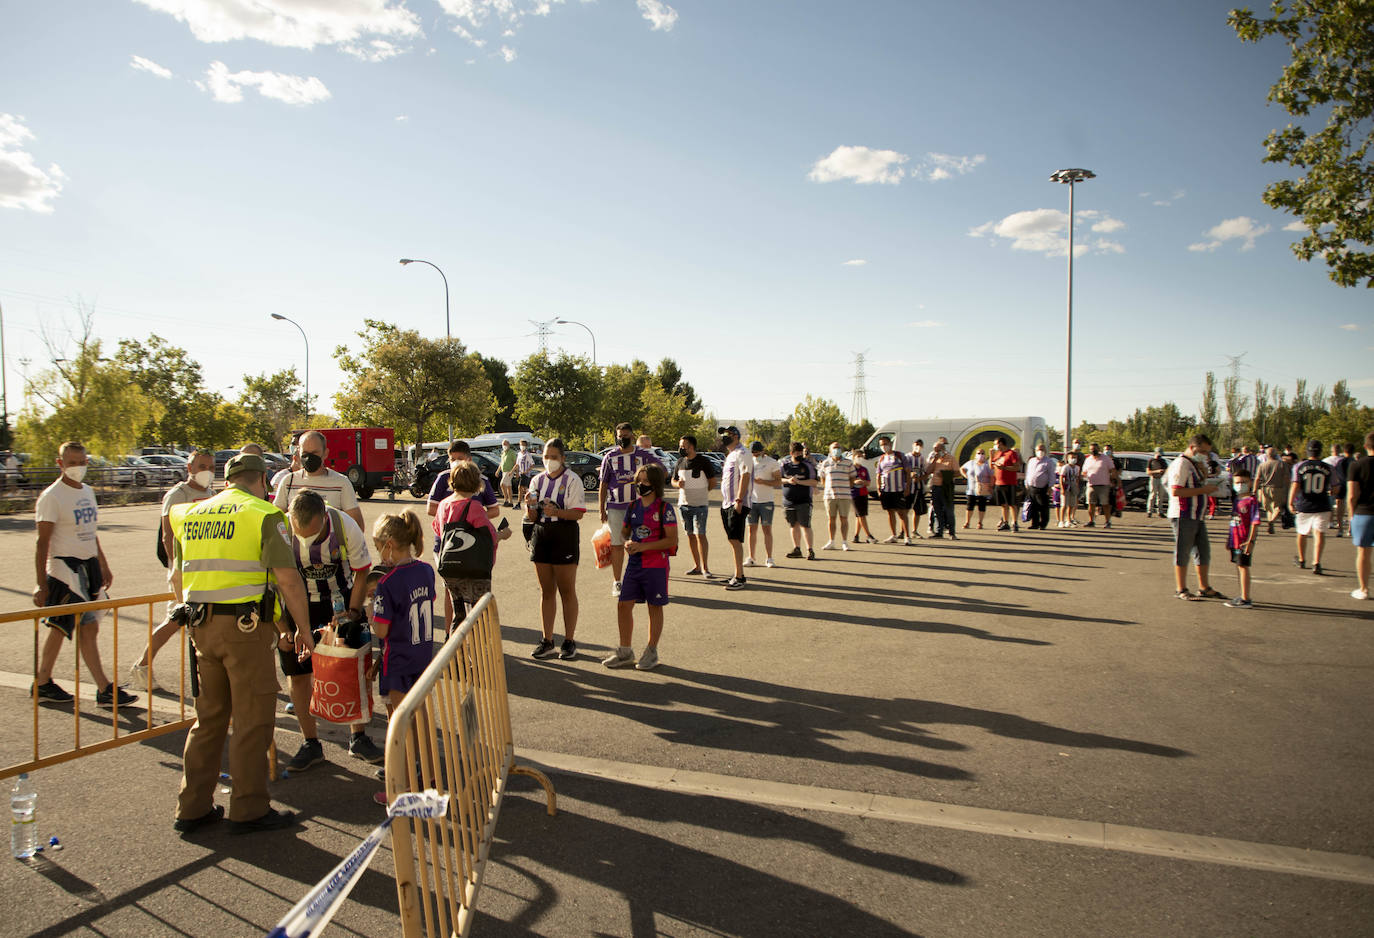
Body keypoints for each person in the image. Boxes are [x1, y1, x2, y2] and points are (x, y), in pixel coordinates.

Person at [169, 452, 313, 834]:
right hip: (245, 629)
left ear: (227, 478)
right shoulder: (264, 514)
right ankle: (248, 809)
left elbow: (177, 576)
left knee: (208, 719)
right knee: (252, 719)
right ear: (263, 479)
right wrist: (303, 630)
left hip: (201, 627)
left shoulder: (191, 513)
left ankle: (193, 805)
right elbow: (288, 580)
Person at [278, 490, 382, 772]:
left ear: (324, 517)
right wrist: (289, 627)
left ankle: (358, 736)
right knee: (297, 673)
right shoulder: (281, 527)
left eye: (311, 534)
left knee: (353, 668)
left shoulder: (344, 525)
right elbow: (276, 580)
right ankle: (310, 742)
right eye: (301, 535)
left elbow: (362, 571)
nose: (306, 540)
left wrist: (353, 613)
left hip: (341, 600)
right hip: (299, 603)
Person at [30, 441, 135, 707]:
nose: (77, 467)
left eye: (81, 461)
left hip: (88, 568)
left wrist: (103, 563)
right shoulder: (52, 496)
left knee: (86, 627)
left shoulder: (87, 491)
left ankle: (98, 688)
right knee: (62, 627)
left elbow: (90, 531)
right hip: (65, 571)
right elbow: (42, 542)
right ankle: (48, 683)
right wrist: (41, 584)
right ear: (60, 463)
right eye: (71, 462)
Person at [130, 448, 217, 691]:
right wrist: (174, 568)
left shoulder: (213, 494)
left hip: (207, 567)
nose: (207, 472)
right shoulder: (177, 495)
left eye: (211, 467)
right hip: (184, 569)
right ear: (189, 468)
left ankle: (209, 676)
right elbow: (167, 535)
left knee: (203, 621)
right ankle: (143, 665)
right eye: (202, 467)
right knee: (176, 618)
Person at [604, 463, 678, 671]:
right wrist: (626, 541)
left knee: (654, 607)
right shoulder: (633, 507)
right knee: (623, 605)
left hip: (656, 565)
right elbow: (625, 532)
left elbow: (671, 540)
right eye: (639, 481)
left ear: (655, 484)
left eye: (646, 481)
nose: (641, 485)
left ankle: (651, 651)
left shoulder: (665, 508)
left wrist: (644, 546)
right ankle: (625, 651)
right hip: (634, 564)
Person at [427, 440, 500, 631]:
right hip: (470, 557)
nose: (456, 462)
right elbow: (491, 535)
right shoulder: (472, 504)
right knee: (477, 609)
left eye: (460, 459)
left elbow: (436, 525)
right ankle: (475, 649)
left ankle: (454, 643)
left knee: (458, 605)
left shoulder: (447, 503)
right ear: (476, 485)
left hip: (450, 553)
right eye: (453, 459)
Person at [370, 511, 437, 709]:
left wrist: (371, 612)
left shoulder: (387, 582)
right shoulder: (425, 570)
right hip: (422, 654)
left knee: (402, 720)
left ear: (389, 545)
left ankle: (407, 743)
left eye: (378, 548)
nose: (379, 554)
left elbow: (381, 630)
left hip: (399, 659)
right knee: (419, 712)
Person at [526, 438, 586, 659]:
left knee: (567, 590)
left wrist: (557, 513)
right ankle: (547, 639)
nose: (549, 461)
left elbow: (578, 513)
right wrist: (530, 506)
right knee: (546, 590)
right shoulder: (537, 481)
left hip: (565, 534)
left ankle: (569, 641)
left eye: (553, 457)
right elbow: (532, 516)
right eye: (546, 456)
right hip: (541, 534)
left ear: (562, 458)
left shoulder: (572, 480)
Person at [598, 423, 662, 597]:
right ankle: (617, 582)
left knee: (641, 545)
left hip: (640, 507)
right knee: (617, 546)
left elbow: (661, 470)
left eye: (625, 435)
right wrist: (601, 508)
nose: (622, 438)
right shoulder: (610, 457)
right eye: (619, 435)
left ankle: (642, 582)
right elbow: (603, 484)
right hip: (615, 507)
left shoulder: (643, 455)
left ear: (632, 436)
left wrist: (652, 491)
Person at [1167, 434, 1226, 601]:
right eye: (1202, 451)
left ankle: (1204, 586)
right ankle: (1181, 588)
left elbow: (1198, 482)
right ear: (1192, 448)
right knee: (1183, 551)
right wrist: (1204, 490)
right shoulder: (1181, 464)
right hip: (1183, 513)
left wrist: (1204, 472)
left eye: (1207, 452)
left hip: (1197, 514)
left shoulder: (1193, 463)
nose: (1205, 455)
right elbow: (1176, 491)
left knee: (1202, 551)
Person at [273, 431, 365, 531]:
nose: (309, 458)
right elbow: (276, 521)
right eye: (305, 453)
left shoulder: (341, 483)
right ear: (299, 453)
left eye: (314, 453)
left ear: (325, 453)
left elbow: (357, 526)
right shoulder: (288, 481)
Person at [672, 435, 717, 577]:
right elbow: (673, 480)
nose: (681, 448)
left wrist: (702, 493)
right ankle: (697, 566)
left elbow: (712, 482)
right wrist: (677, 484)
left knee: (700, 535)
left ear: (691, 446)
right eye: (680, 445)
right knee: (690, 535)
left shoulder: (703, 461)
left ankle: (705, 568)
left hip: (700, 505)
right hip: (684, 505)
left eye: (683, 445)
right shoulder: (679, 462)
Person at [1290, 439, 1333, 575]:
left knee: (1302, 532)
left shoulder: (1299, 466)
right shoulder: (1328, 467)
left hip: (1304, 503)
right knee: (1319, 533)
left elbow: (1295, 485)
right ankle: (1316, 562)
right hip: (1322, 503)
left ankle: (1302, 559)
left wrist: (1290, 502)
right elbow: (1336, 486)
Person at [717, 425, 752, 589]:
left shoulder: (742, 453)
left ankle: (739, 577)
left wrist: (739, 499)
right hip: (728, 502)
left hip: (737, 503)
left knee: (735, 539)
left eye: (728, 434)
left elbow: (745, 475)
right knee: (732, 539)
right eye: (724, 434)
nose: (725, 437)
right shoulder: (731, 454)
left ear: (736, 436)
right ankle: (738, 573)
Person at [1225, 467, 1261, 609]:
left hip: (1244, 540)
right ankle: (1242, 594)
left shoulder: (1251, 501)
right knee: (1239, 566)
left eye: (1243, 482)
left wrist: (1250, 541)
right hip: (1235, 539)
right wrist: (1229, 540)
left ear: (1250, 483)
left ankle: (1246, 598)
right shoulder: (1236, 500)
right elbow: (1233, 521)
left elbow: (1255, 522)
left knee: (1243, 566)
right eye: (1237, 482)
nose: (1240, 485)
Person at [1347, 431, 1374, 600]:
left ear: (1365, 446)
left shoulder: (1356, 465)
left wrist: (1351, 516)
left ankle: (1364, 589)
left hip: (1364, 512)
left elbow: (1352, 495)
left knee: (1363, 552)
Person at [779, 441, 818, 560]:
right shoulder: (784, 465)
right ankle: (797, 549)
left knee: (805, 525)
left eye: (801, 452)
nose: (800, 455)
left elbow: (814, 482)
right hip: (788, 501)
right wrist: (788, 481)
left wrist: (799, 482)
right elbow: (778, 479)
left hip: (804, 501)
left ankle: (810, 550)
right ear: (791, 453)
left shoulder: (808, 465)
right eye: (797, 453)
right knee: (793, 525)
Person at [747, 441, 781, 567]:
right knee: (751, 530)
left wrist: (764, 482)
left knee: (767, 529)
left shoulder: (772, 462)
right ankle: (751, 557)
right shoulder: (749, 462)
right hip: (751, 501)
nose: (755, 455)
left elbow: (778, 482)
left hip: (766, 501)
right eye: (753, 453)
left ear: (762, 451)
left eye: (757, 453)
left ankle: (769, 558)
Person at [875, 436, 912, 545]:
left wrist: (908, 487)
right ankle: (893, 535)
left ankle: (907, 536)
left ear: (890, 444)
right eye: (881, 445)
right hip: (886, 490)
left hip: (899, 489)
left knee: (902, 513)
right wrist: (878, 489)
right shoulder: (881, 458)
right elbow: (878, 474)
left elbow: (908, 472)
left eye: (885, 444)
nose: (884, 446)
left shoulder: (900, 456)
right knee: (890, 512)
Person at [819, 441, 856, 550]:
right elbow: (822, 479)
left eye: (838, 448)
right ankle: (831, 541)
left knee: (844, 518)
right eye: (834, 448)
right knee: (831, 519)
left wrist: (846, 486)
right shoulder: (825, 463)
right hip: (830, 496)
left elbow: (852, 478)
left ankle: (844, 542)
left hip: (844, 495)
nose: (836, 450)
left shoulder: (848, 463)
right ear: (830, 450)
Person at [1255, 445, 1291, 534]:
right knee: (1277, 507)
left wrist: (1254, 490)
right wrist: (1289, 487)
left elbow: (1257, 478)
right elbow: (1287, 477)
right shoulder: (1282, 464)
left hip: (1265, 488)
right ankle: (1272, 521)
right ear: (1276, 455)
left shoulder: (1262, 465)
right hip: (1278, 488)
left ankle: (1270, 521)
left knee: (1268, 509)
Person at [925, 441, 958, 539]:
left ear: (943, 449)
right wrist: (934, 460)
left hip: (946, 487)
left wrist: (945, 474)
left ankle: (952, 532)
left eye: (938, 449)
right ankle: (939, 531)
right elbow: (928, 471)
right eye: (934, 449)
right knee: (937, 510)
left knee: (949, 510)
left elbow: (957, 473)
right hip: (935, 487)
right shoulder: (934, 458)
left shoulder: (951, 458)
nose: (936, 451)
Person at [1023, 443, 1057, 531]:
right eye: (1038, 450)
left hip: (1043, 488)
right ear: (1035, 451)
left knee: (1043, 506)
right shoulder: (1032, 461)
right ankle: (1035, 523)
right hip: (1031, 487)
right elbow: (1028, 473)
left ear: (1045, 451)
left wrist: (1050, 487)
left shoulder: (1048, 461)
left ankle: (1043, 523)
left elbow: (1051, 475)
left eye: (1042, 450)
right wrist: (1026, 483)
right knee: (1033, 506)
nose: (1040, 451)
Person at [990, 437, 1021, 532]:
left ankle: (1015, 523)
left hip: (1010, 482)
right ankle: (1005, 522)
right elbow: (991, 466)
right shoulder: (998, 454)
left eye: (996, 444)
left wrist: (1005, 468)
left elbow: (1016, 467)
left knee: (1012, 504)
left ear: (1001, 444)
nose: (995, 446)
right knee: (1003, 504)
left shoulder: (1011, 453)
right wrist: (991, 456)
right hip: (999, 483)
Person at [1081, 444, 1112, 528]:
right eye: (1091, 449)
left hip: (1104, 484)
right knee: (1091, 504)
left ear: (1098, 449)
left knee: (1105, 504)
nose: (1093, 451)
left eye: (1094, 449)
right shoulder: (1088, 459)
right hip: (1091, 484)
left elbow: (1112, 470)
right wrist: (1083, 475)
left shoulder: (1106, 459)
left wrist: (1114, 481)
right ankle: (1091, 521)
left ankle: (1107, 521)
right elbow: (1084, 471)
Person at [960, 449, 992, 530]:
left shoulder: (987, 464)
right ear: (975, 454)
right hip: (971, 488)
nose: (980, 455)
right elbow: (962, 469)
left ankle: (980, 522)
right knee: (970, 505)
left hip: (983, 488)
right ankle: (967, 522)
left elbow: (992, 476)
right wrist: (966, 476)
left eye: (982, 453)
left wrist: (991, 486)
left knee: (982, 505)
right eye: (979, 453)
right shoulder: (971, 463)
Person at [1328, 442, 1354, 538]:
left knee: (1340, 507)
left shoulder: (1341, 462)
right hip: (1352, 485)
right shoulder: (1355, 461)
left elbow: (1337, 475)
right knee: (1351, 507)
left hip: (1342, 485)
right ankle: (1350, 529)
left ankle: (1340, 529)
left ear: (1344, 451)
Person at [851, 457, 875, 544]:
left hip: (863, 493)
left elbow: (868, 482)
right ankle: (868, 535)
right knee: (861, 515)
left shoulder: (864, 469)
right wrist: (855, 482)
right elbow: (849, 481)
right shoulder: (851, 469)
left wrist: (862, 482)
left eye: (861, 457)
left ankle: (856, 536)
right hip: (854, 494)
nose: (860, 458)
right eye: (858, 456)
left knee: (860, 515)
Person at [1056, 451, 1082, 528]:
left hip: (1073, 486)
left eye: (1075, 458)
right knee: (1064, 504)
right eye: (1071, 458)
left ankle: (1069, 520)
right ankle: (1061, 521)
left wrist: (1077, 486)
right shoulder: (1065, 467)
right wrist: (1062, 488)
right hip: (1066, 486)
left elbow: (1077, 478)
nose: (1073, 459)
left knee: (1071, 505)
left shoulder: (1077, 468)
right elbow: (1061, 477)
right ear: (1068, 459)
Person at [1145, 448, 1169, 518]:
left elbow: (1166, 470)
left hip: (1161, 479)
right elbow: (1148, 472)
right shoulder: (1151, 461)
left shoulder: (1163, 461)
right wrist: (1157, 471)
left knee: (1161, 496)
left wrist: (1163, 471)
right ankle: (1149, 511)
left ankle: (1160, 511)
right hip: (1154, 478)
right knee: (1153, 495)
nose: (1160, 456)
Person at [514, 439, 535, 504]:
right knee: (524, 488)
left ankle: (519, 503)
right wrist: (513, 471)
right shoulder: (519, 454)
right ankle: (532, 499)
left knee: (520, 487)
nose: (522, 446)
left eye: (523, 445)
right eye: (521, 445)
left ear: (526, 446)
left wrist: (526, 471)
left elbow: (532, 464)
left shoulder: (527, 454)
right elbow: (517, 464)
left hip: (526, 474)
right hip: (521, 474)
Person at [498, 439, 518, 507]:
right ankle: (511, 502)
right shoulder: (503, 453)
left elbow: (516, 463)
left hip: (509, 471)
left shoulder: (512, 452)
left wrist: (514, 471)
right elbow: (501, 463)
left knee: (502, 484)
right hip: (504, 471)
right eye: (503, 444)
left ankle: (505, 500)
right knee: (509, 487)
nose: (504, 446)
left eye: (506, 444)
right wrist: (498, 470)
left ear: (509, 445)